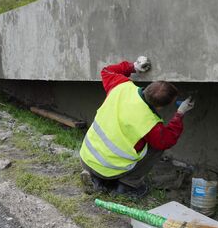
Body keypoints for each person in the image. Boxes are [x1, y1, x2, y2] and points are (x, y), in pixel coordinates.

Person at [79, 56, 195, 198]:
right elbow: (167, 140)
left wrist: (133, 67)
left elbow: (107, 71)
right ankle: (127, 185)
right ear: (159, 106)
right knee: (157, 146)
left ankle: (96, 179)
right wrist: (179, 114)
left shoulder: (121, 86)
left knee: (130, 143)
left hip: (87, 158)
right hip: (110, 168)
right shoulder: (149, 122)